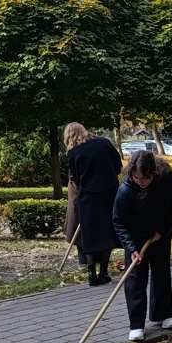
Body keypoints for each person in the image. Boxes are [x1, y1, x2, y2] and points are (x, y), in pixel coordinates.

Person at [112, 150, 172, 342]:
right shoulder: (126, 189)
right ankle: (136, 325)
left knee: (162, 274)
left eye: (145, 178)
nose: (140, 182)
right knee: (135, 279)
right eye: (136, 177)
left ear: (154, 173)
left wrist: (162, 231)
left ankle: (163, 315)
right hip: (136, 238)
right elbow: (119, 221)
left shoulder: (167, 179)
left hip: (160, 235)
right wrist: (131, 247)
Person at [65, 122, 122, 285]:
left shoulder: (73, 153)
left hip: (87, 197)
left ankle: (91, 274)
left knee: (90, 234)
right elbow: (118, 167)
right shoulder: (105, 143)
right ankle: (103, 272)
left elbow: (75, 179)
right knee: (107, 232)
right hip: (109, 194)